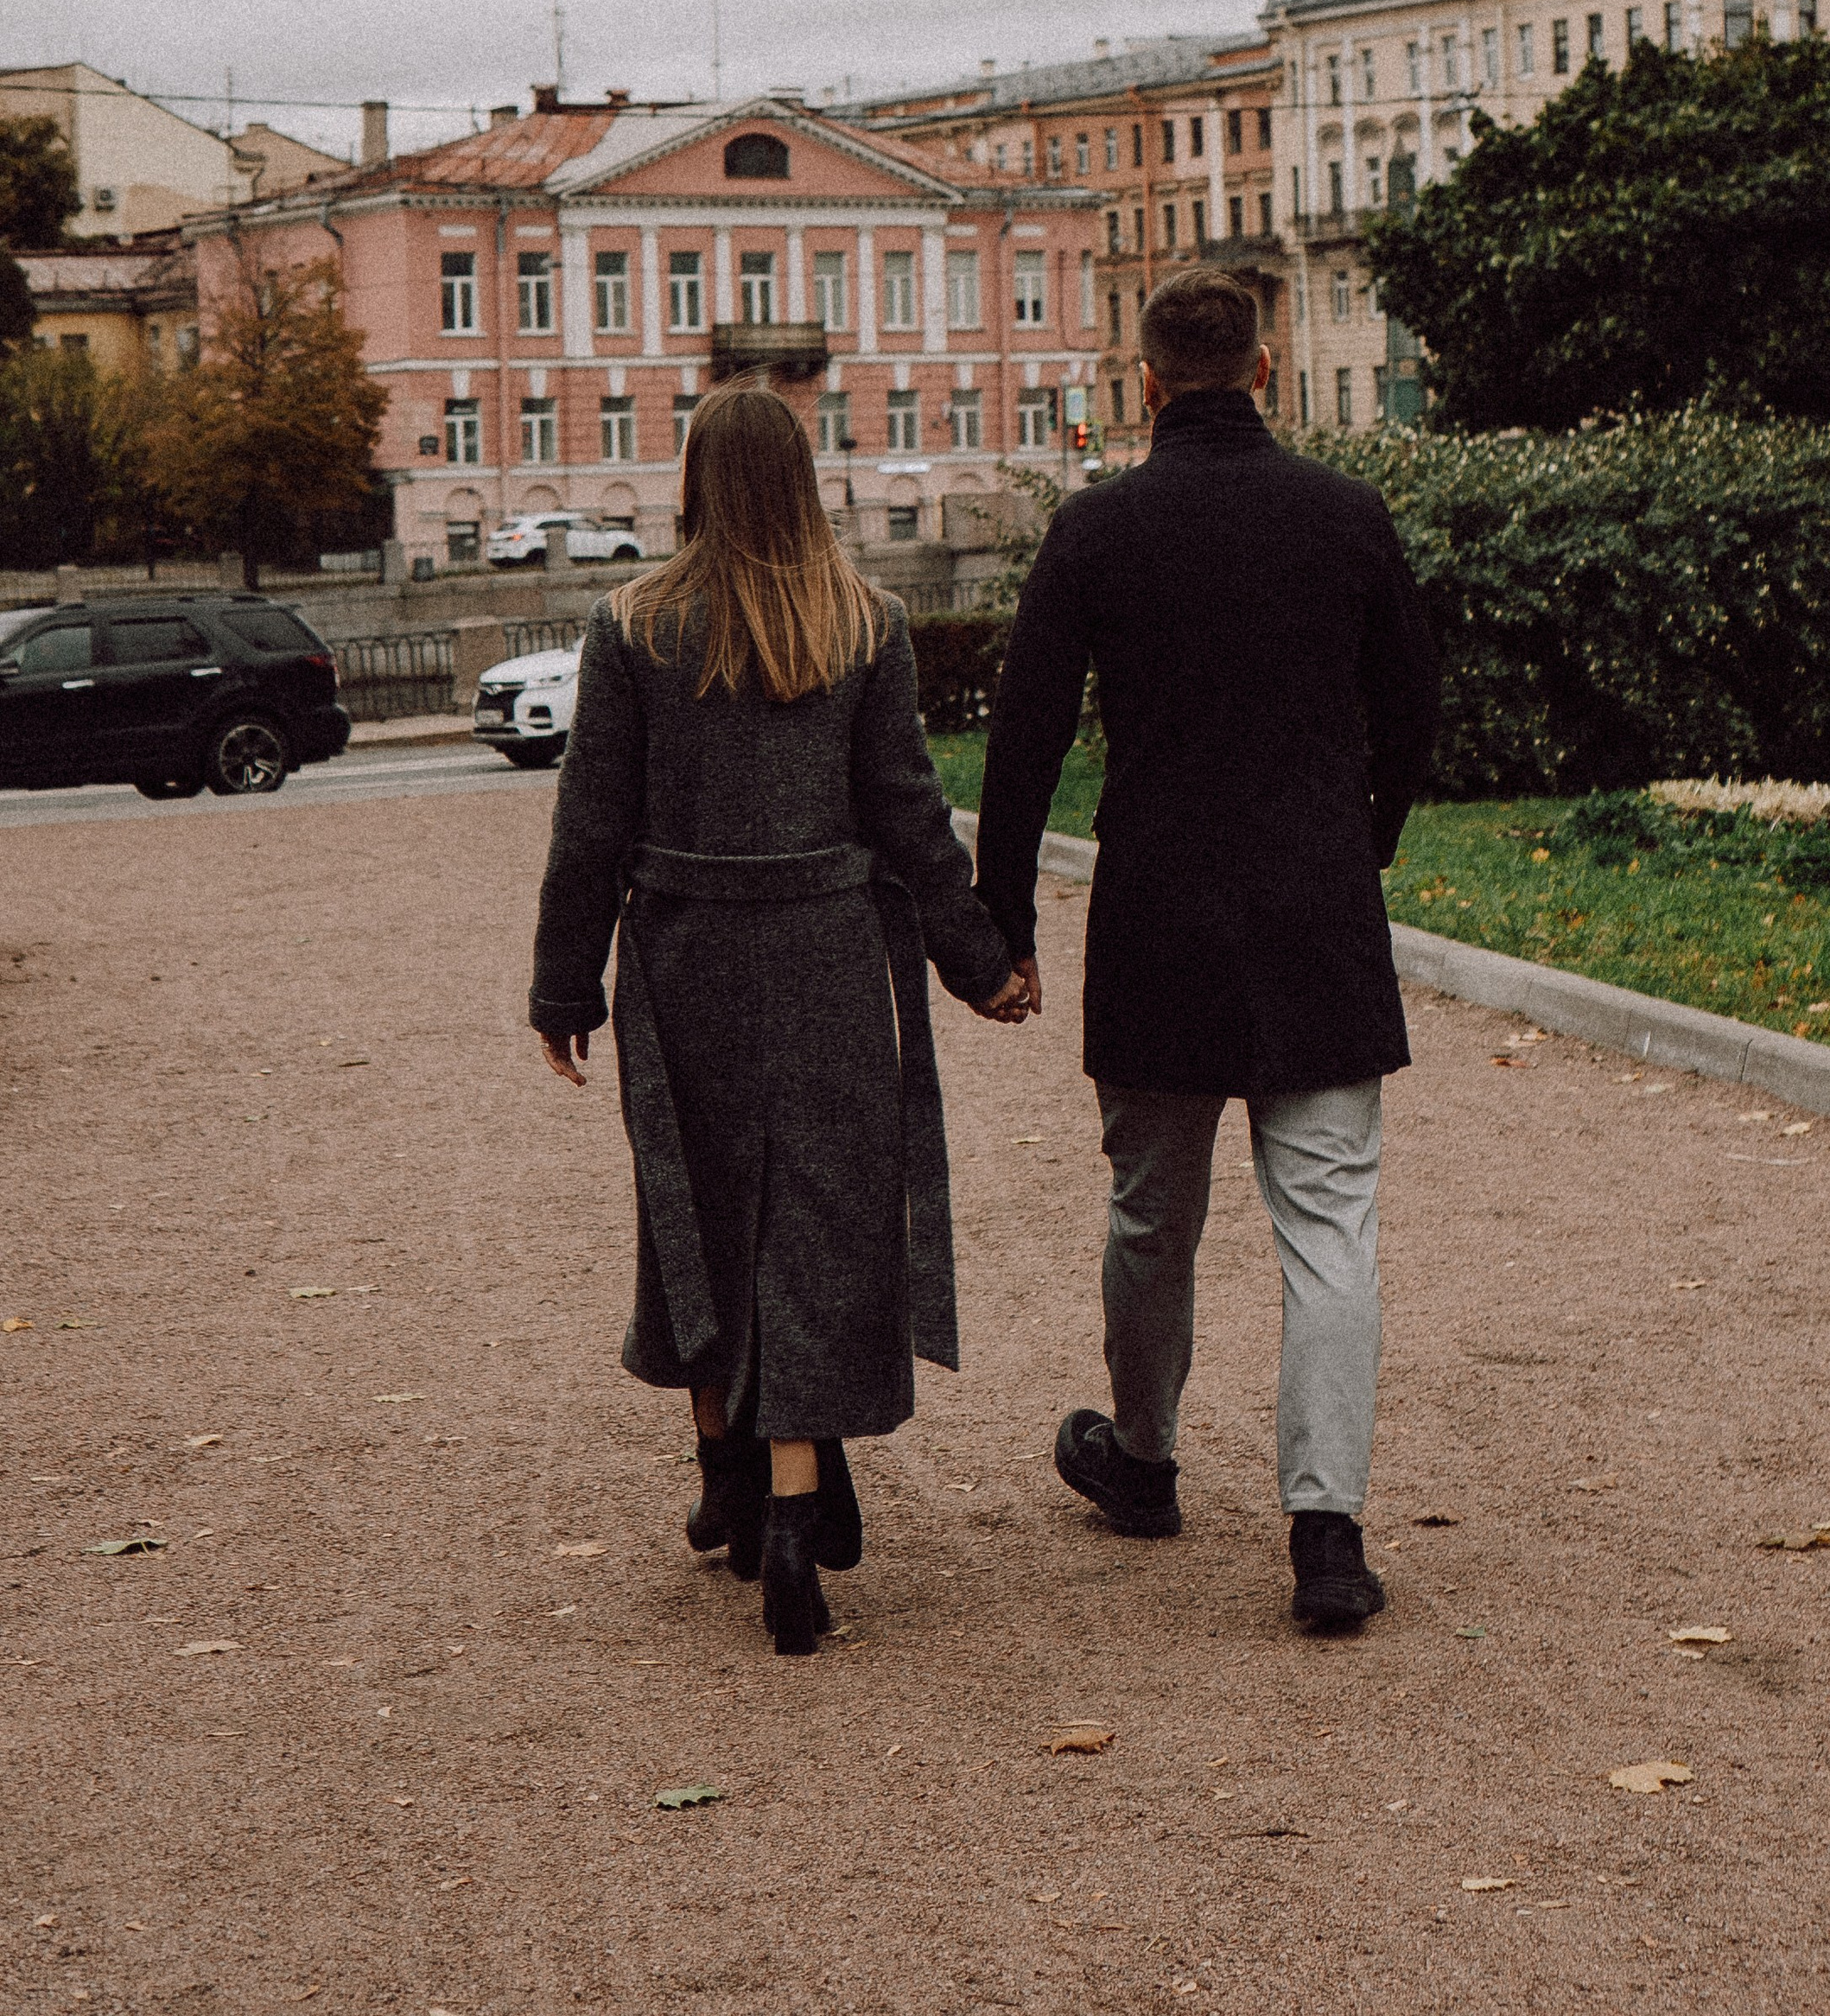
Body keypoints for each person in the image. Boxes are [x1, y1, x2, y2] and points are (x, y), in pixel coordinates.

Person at [528, 379, 1030, 1657]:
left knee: (695, 1208)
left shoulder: (633, 625)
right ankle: (796, 1519)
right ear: (803, 481)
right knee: (812, 1226)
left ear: (693, 480)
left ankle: (728, 1480)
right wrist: (980, 962)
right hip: (824, 958)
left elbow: (590, 823)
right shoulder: (865, 621)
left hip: (685, 957)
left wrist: (563, 984)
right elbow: (910, 813)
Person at [975, 264, 1440, 1634]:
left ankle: (1145, 1460)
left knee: (1150, 1214)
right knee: (1331, 1228)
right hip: (1316, 910)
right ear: (1265, 368)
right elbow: (1412, 704)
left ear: (1146, 384)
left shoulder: (1096, 530)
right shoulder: (1346, 515)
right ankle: (1327, 1531)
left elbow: (1024, 739)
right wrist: (1368, 838)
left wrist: (1005, 922)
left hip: (1158, 915)